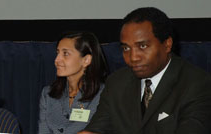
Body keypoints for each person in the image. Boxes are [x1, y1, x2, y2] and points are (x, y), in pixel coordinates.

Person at [79, 7, 211, 134]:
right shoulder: (116, 83)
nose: (133, 57)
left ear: (167, 44)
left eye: (142, 46)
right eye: (126, 48)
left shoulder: (198, 84)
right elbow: (96, 129)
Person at [38, 32, 108, 134]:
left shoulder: (104, 94)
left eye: (65, 54)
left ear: (86, 60)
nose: (57, 60)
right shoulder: (48, 94)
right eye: (57, 53)